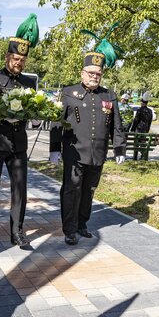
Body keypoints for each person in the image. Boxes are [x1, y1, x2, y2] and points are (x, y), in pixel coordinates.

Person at [50, 35, 126, 245]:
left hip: (97, 153)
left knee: (88, 191)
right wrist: (54, 148)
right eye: (91, 73)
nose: (95, 77)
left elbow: (116, 125)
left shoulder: (108, 96)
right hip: (74, 152)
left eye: (98, 74)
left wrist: (119, 149)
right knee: (71, 190)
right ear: (82, 73)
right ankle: (70, 229)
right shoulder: (68, 92)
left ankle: (83, 223)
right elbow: (57, 121)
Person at [0, 14, 39, 248]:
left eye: (23, 60)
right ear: (7, 57)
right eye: (15, 59)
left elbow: (33, 106)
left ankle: (17, 231)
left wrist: (35, 116)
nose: (19, 63)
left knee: (20, 187)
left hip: (17, 143)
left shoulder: (29, 82)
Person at [130, 92, 153, 160]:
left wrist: (132, 129)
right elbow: (150, 121)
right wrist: (148, 129)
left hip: (139, 128)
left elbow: (136, 120)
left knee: (136, 143)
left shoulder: (139, 110)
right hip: (145, 128)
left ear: (142, 103)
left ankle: (135, 157)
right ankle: (143, 155)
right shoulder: (150, 111)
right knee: (143, 142)